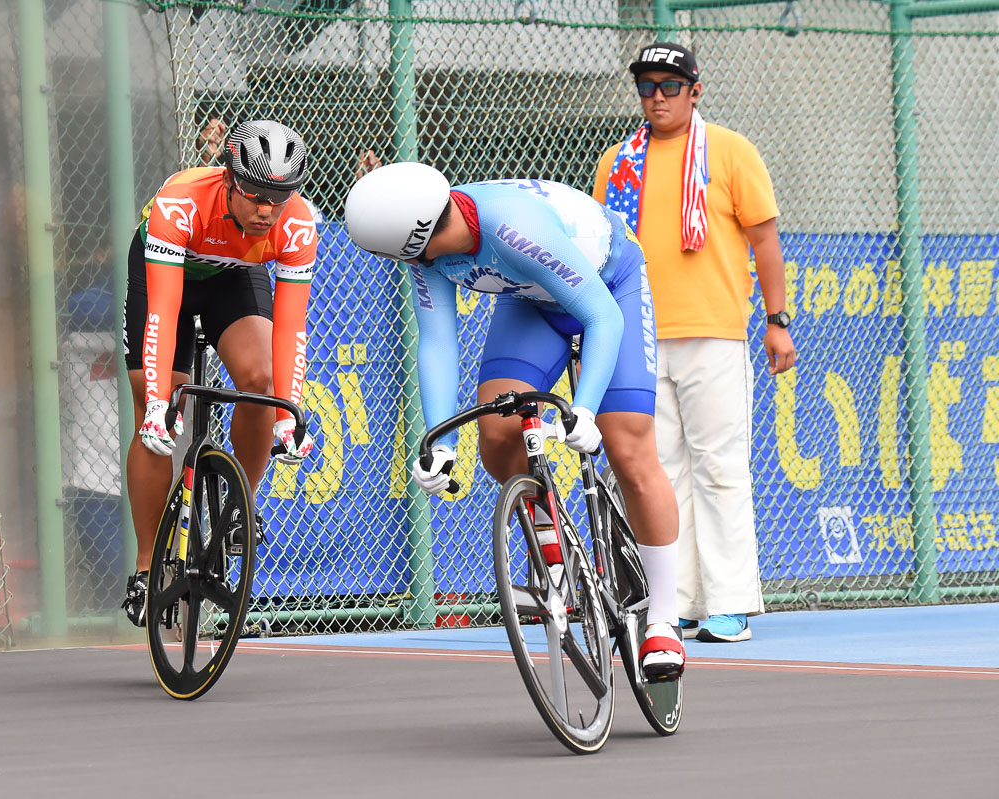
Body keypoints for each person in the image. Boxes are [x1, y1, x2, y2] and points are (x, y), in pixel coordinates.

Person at [344, 162, 685, 679]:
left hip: (610, 289)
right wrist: (440, 438)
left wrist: (585, 408)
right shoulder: (425, 250)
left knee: (629, 449)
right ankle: (550, 537)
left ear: (412, 241)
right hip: (531, 301)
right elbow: (437, 340)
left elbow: (601, 316)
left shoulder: (511, 228)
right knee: (500, 433)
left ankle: (664, 619)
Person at [592, 42, 797, 643]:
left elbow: (765, 243)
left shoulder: (730, 152)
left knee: (721, 468)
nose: (657, 97)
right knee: (658, 469)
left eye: (670, 85)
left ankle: (730, 603)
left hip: (714, 332)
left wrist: (777, 318)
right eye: (647, 86)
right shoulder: (617, 162)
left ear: (695, 91)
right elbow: (605, 250)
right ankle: (673, 602)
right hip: (640, 335)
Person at [120, 119, 317, 627]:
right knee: (154, 399)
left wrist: (288, 416)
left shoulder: (296, 224)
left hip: (233, 275)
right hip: (168, 271)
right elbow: (164, 310)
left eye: (278, 197)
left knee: (261, 384)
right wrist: (161, 404)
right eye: (254, 195)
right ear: (228, 178)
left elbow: (290, 330)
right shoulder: (181, 202)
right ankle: (146, 567)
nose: (265, 210)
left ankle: (239, 507)